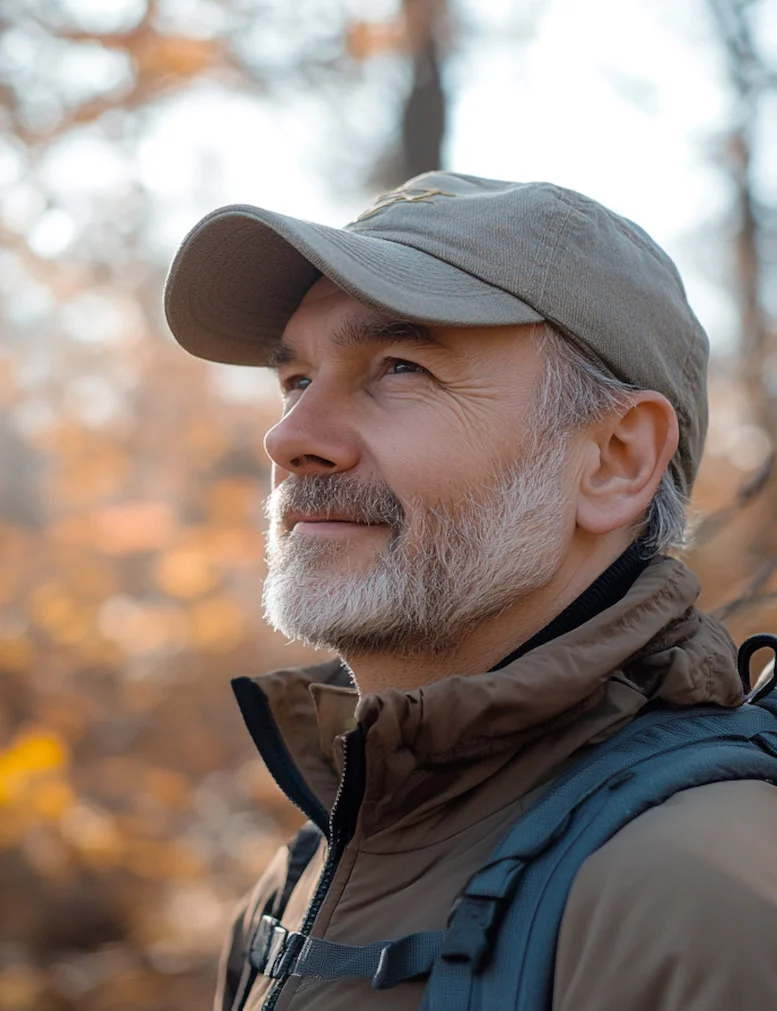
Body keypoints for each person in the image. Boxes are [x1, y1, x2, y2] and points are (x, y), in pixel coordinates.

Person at [164, 172, 777, 1011]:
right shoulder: (302, 876)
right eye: (297, 379)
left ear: (615, 459)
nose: (288, 437)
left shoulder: (701, 890)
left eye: (400, 368)